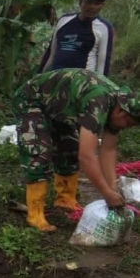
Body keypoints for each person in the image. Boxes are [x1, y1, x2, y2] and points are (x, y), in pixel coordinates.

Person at [14, 69, 140, 231]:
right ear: (122, 112)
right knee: (38, 152)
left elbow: (108, 150)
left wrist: (112, 188)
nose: (126, 128)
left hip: (60, 107)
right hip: (32, 100)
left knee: (70, 148)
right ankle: (35, 213)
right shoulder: (98, 102)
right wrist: (106, 194)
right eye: (129, 124)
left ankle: (65, 199)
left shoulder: (116, 108)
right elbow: (87, 156)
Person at [39, 0, 113, 76]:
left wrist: (101, 87)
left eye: (97, 3)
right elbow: (51, 54)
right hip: (56, 79)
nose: (92, 7)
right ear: (80, 2)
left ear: (102, 6)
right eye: (88, 2)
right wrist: (38, 76)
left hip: (81, 82)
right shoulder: (64, 20)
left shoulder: (104, 28)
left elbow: (103, 64)